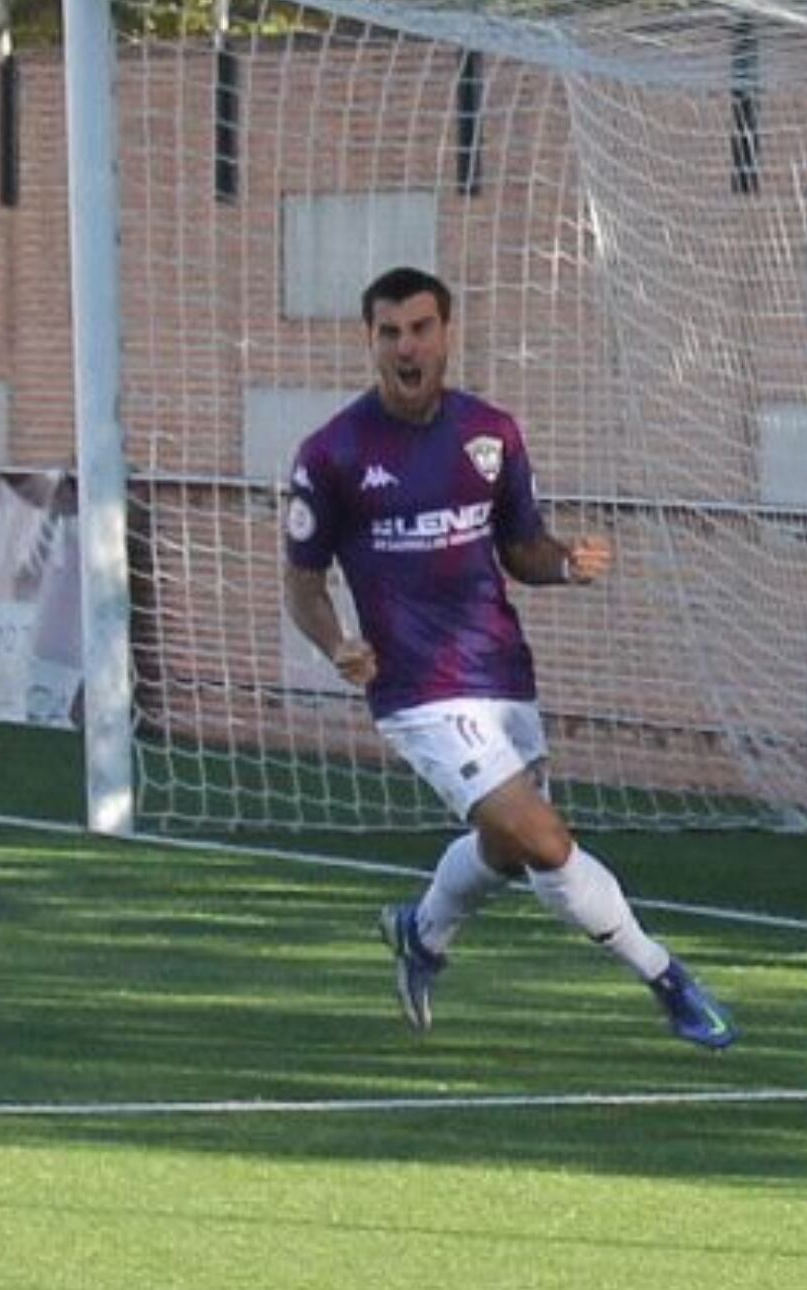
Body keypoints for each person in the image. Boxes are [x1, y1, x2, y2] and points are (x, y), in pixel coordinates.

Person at [281, 266, 736, 1049]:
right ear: (371, 342)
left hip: (501, 673)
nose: (406, 346)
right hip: (418, 692)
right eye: (389, 333)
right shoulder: (334, 455)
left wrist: (565, 564)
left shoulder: (490, 436)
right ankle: (668, 980)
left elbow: (522, 547)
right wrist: (337, 645)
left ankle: (422, 935)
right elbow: (303, 584)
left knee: (504, 847)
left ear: (446, 334)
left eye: (420, 328)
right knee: (546, 841)